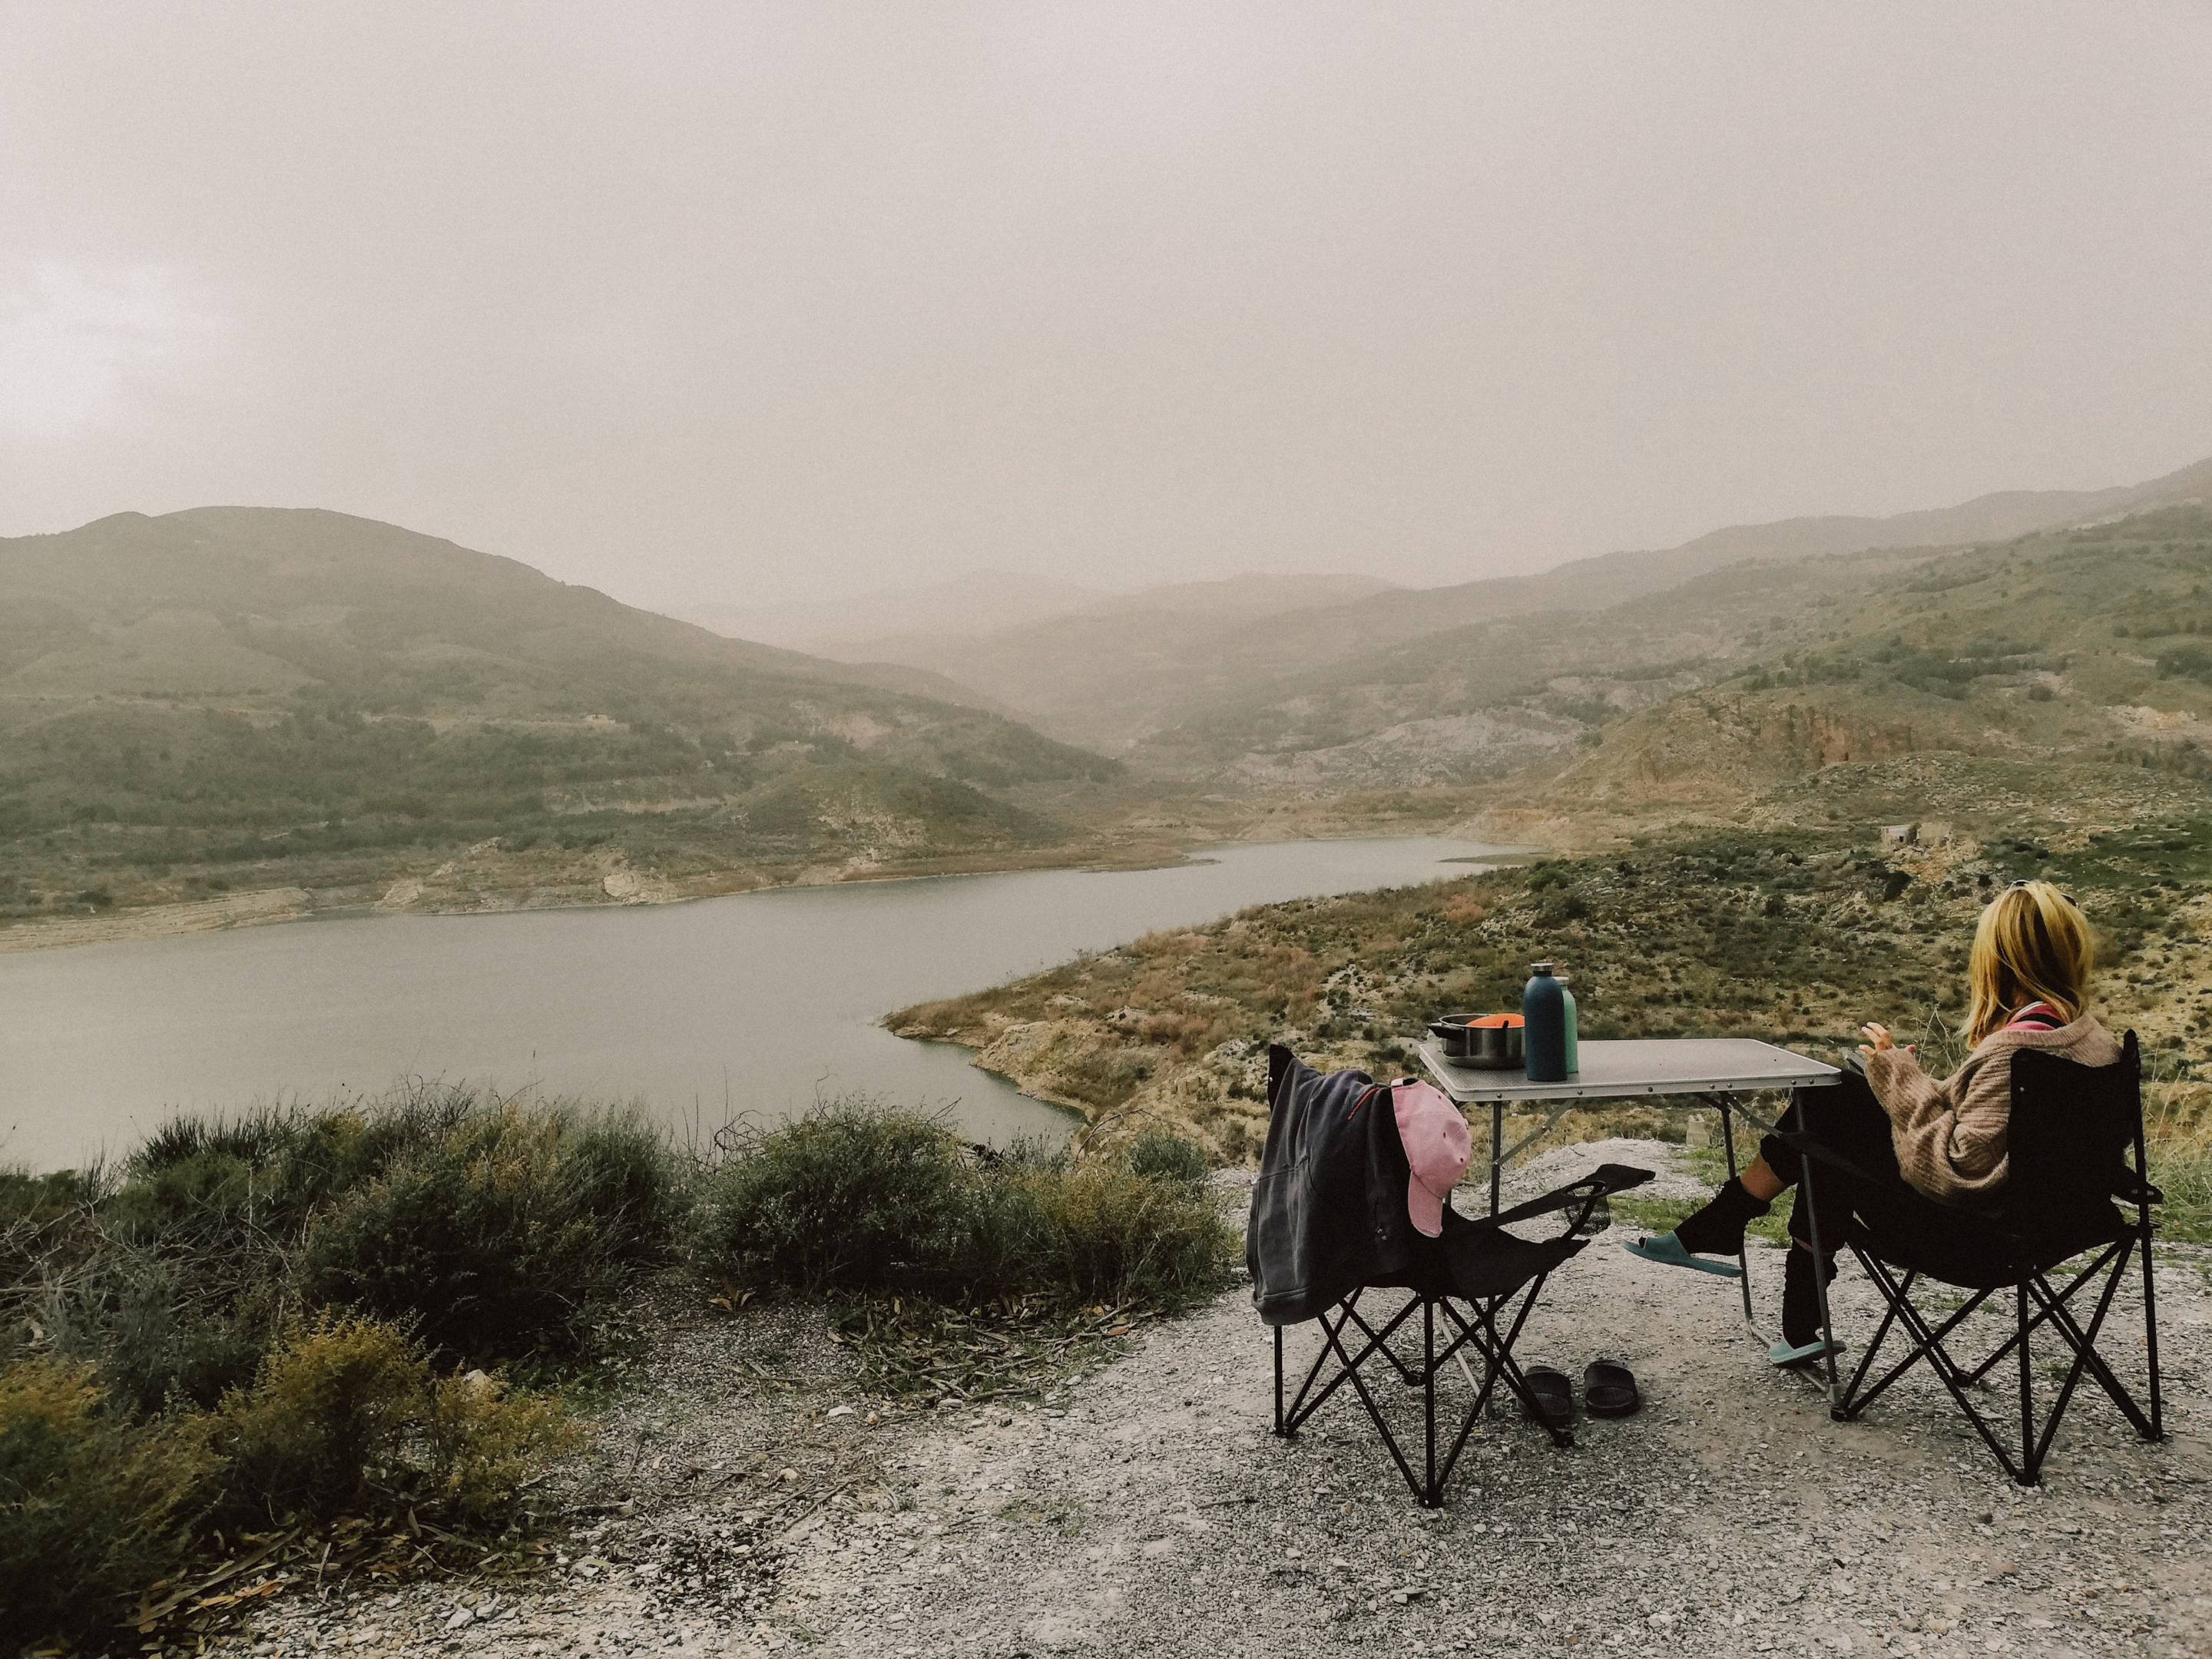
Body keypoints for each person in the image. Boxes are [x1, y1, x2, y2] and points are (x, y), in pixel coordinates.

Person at [1623, 879, 2119, 1366]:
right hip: (2053, 1227)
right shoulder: (2095, 1046)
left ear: (2001, 961)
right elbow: (1993, 1130)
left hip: (1977, 1239)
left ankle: (1730, 1226)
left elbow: (1958, 1172)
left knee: (1829, 1110)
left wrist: (1900, 1078)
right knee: (1838, 1112)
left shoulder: (2017, 1049)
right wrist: (1902, 1083)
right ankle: (1790, 1313)